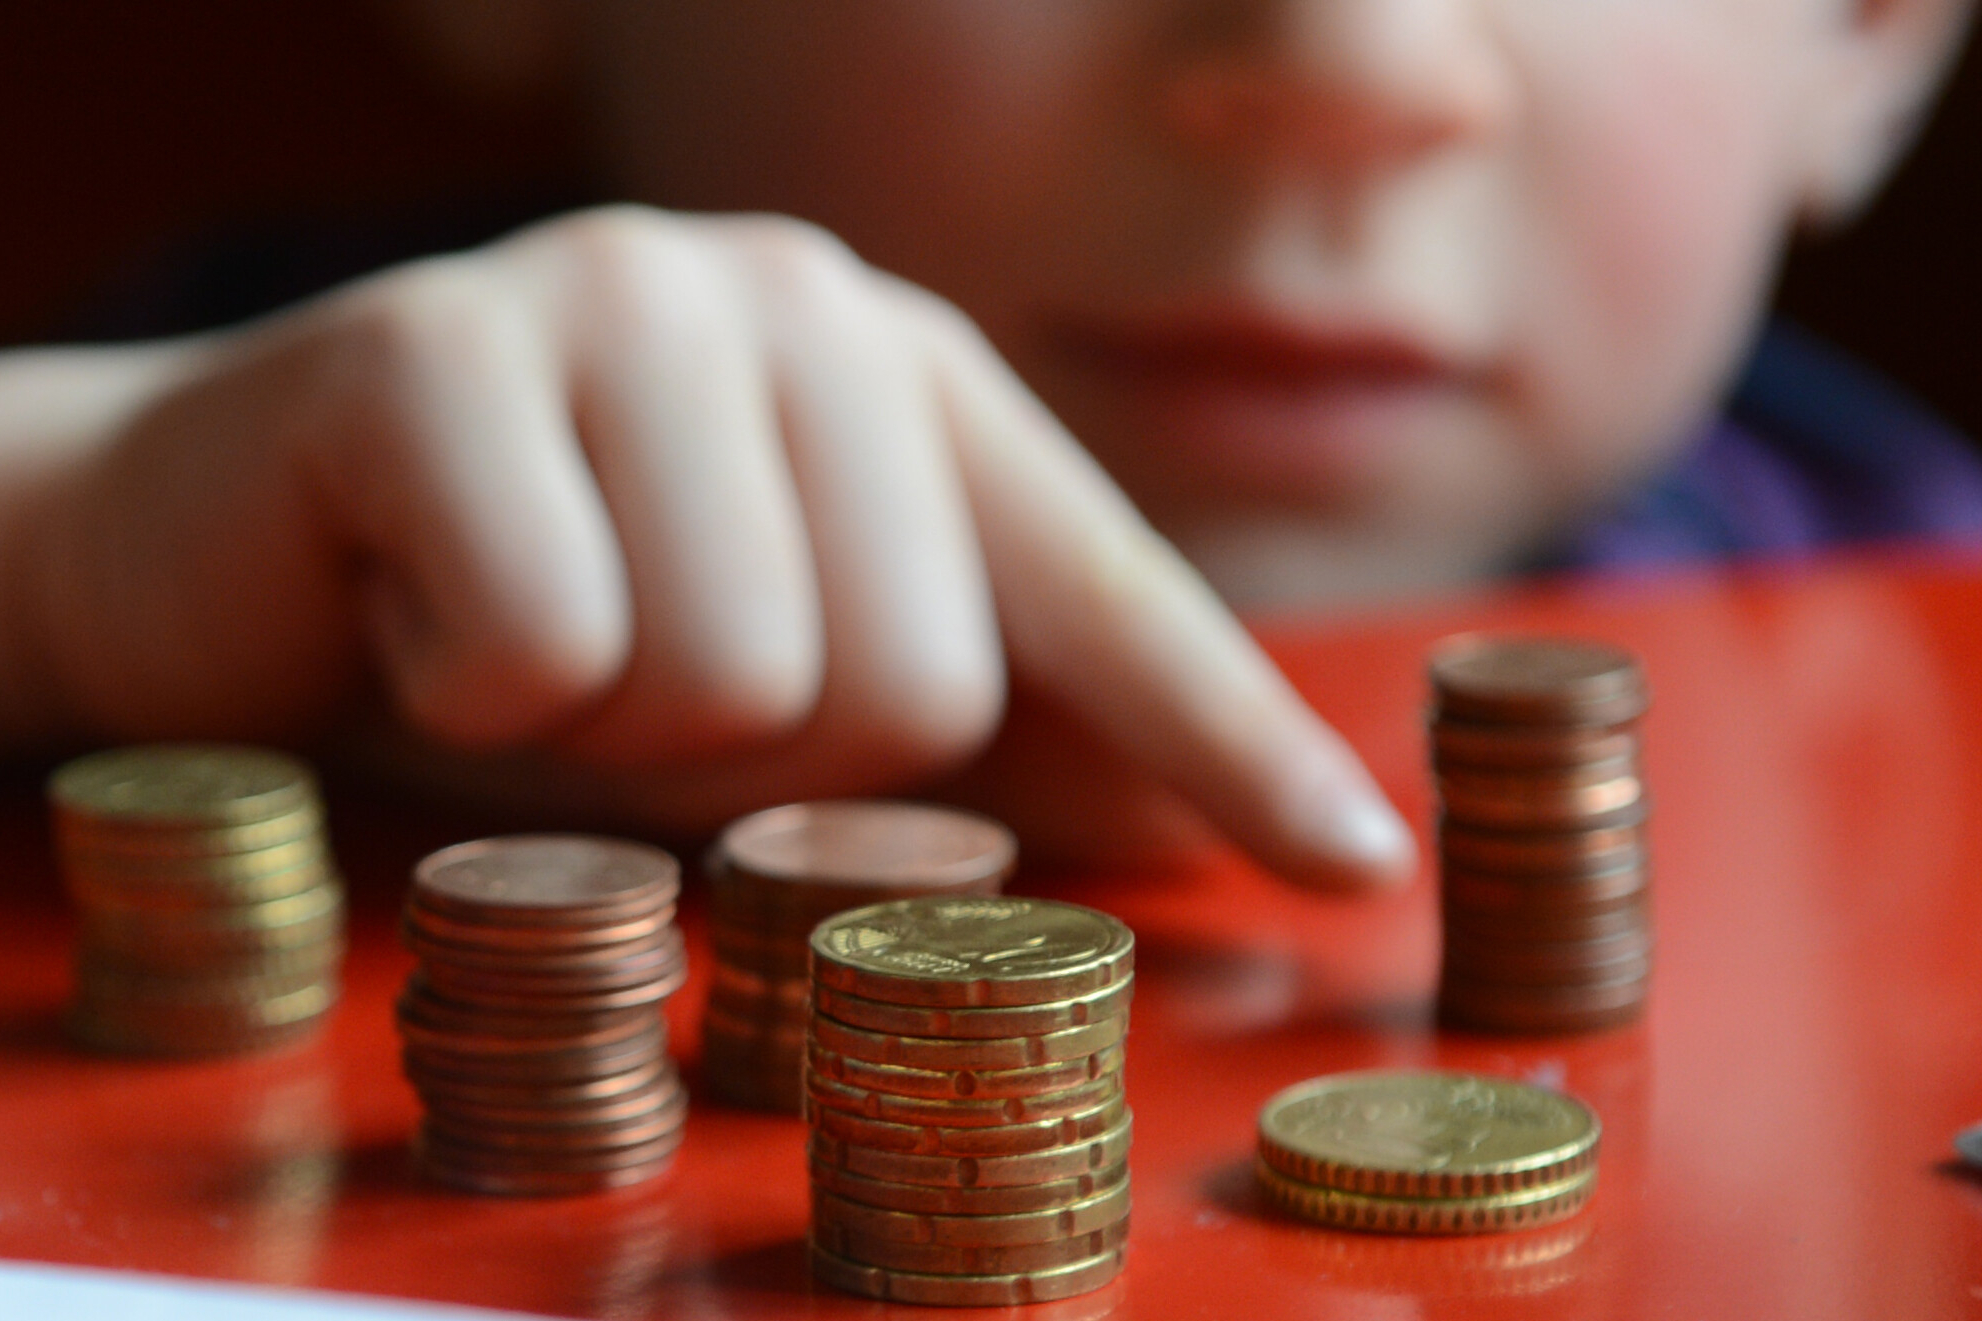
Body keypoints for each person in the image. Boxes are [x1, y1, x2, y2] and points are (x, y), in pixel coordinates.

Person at [1, 0, 1975, 892]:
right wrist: (67, 549)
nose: (1347, 63)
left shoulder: (1936, 624)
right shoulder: (213, 459)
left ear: (1869, 31)